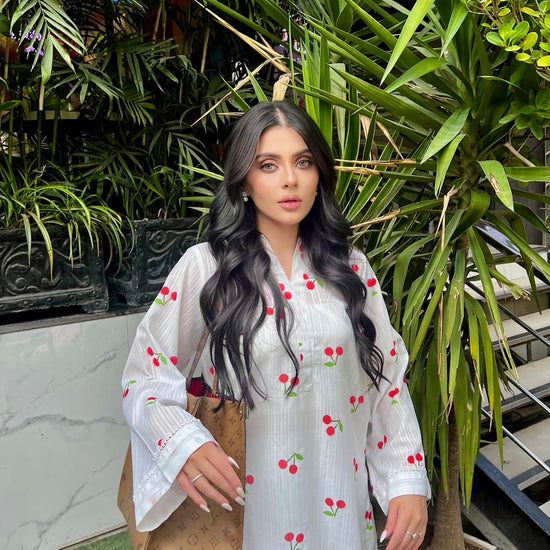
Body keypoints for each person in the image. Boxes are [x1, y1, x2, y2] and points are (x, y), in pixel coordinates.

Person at [121, 100, 430, 550]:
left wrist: (406, 477)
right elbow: (144, 376)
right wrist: (182, 442)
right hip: (246, 512)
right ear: (244, 181)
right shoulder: (207, 268)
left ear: (319, 173)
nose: (290, 179)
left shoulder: (349, 268)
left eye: (303, 162)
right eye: (268, 165)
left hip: (340, 506)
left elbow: (387, 376)